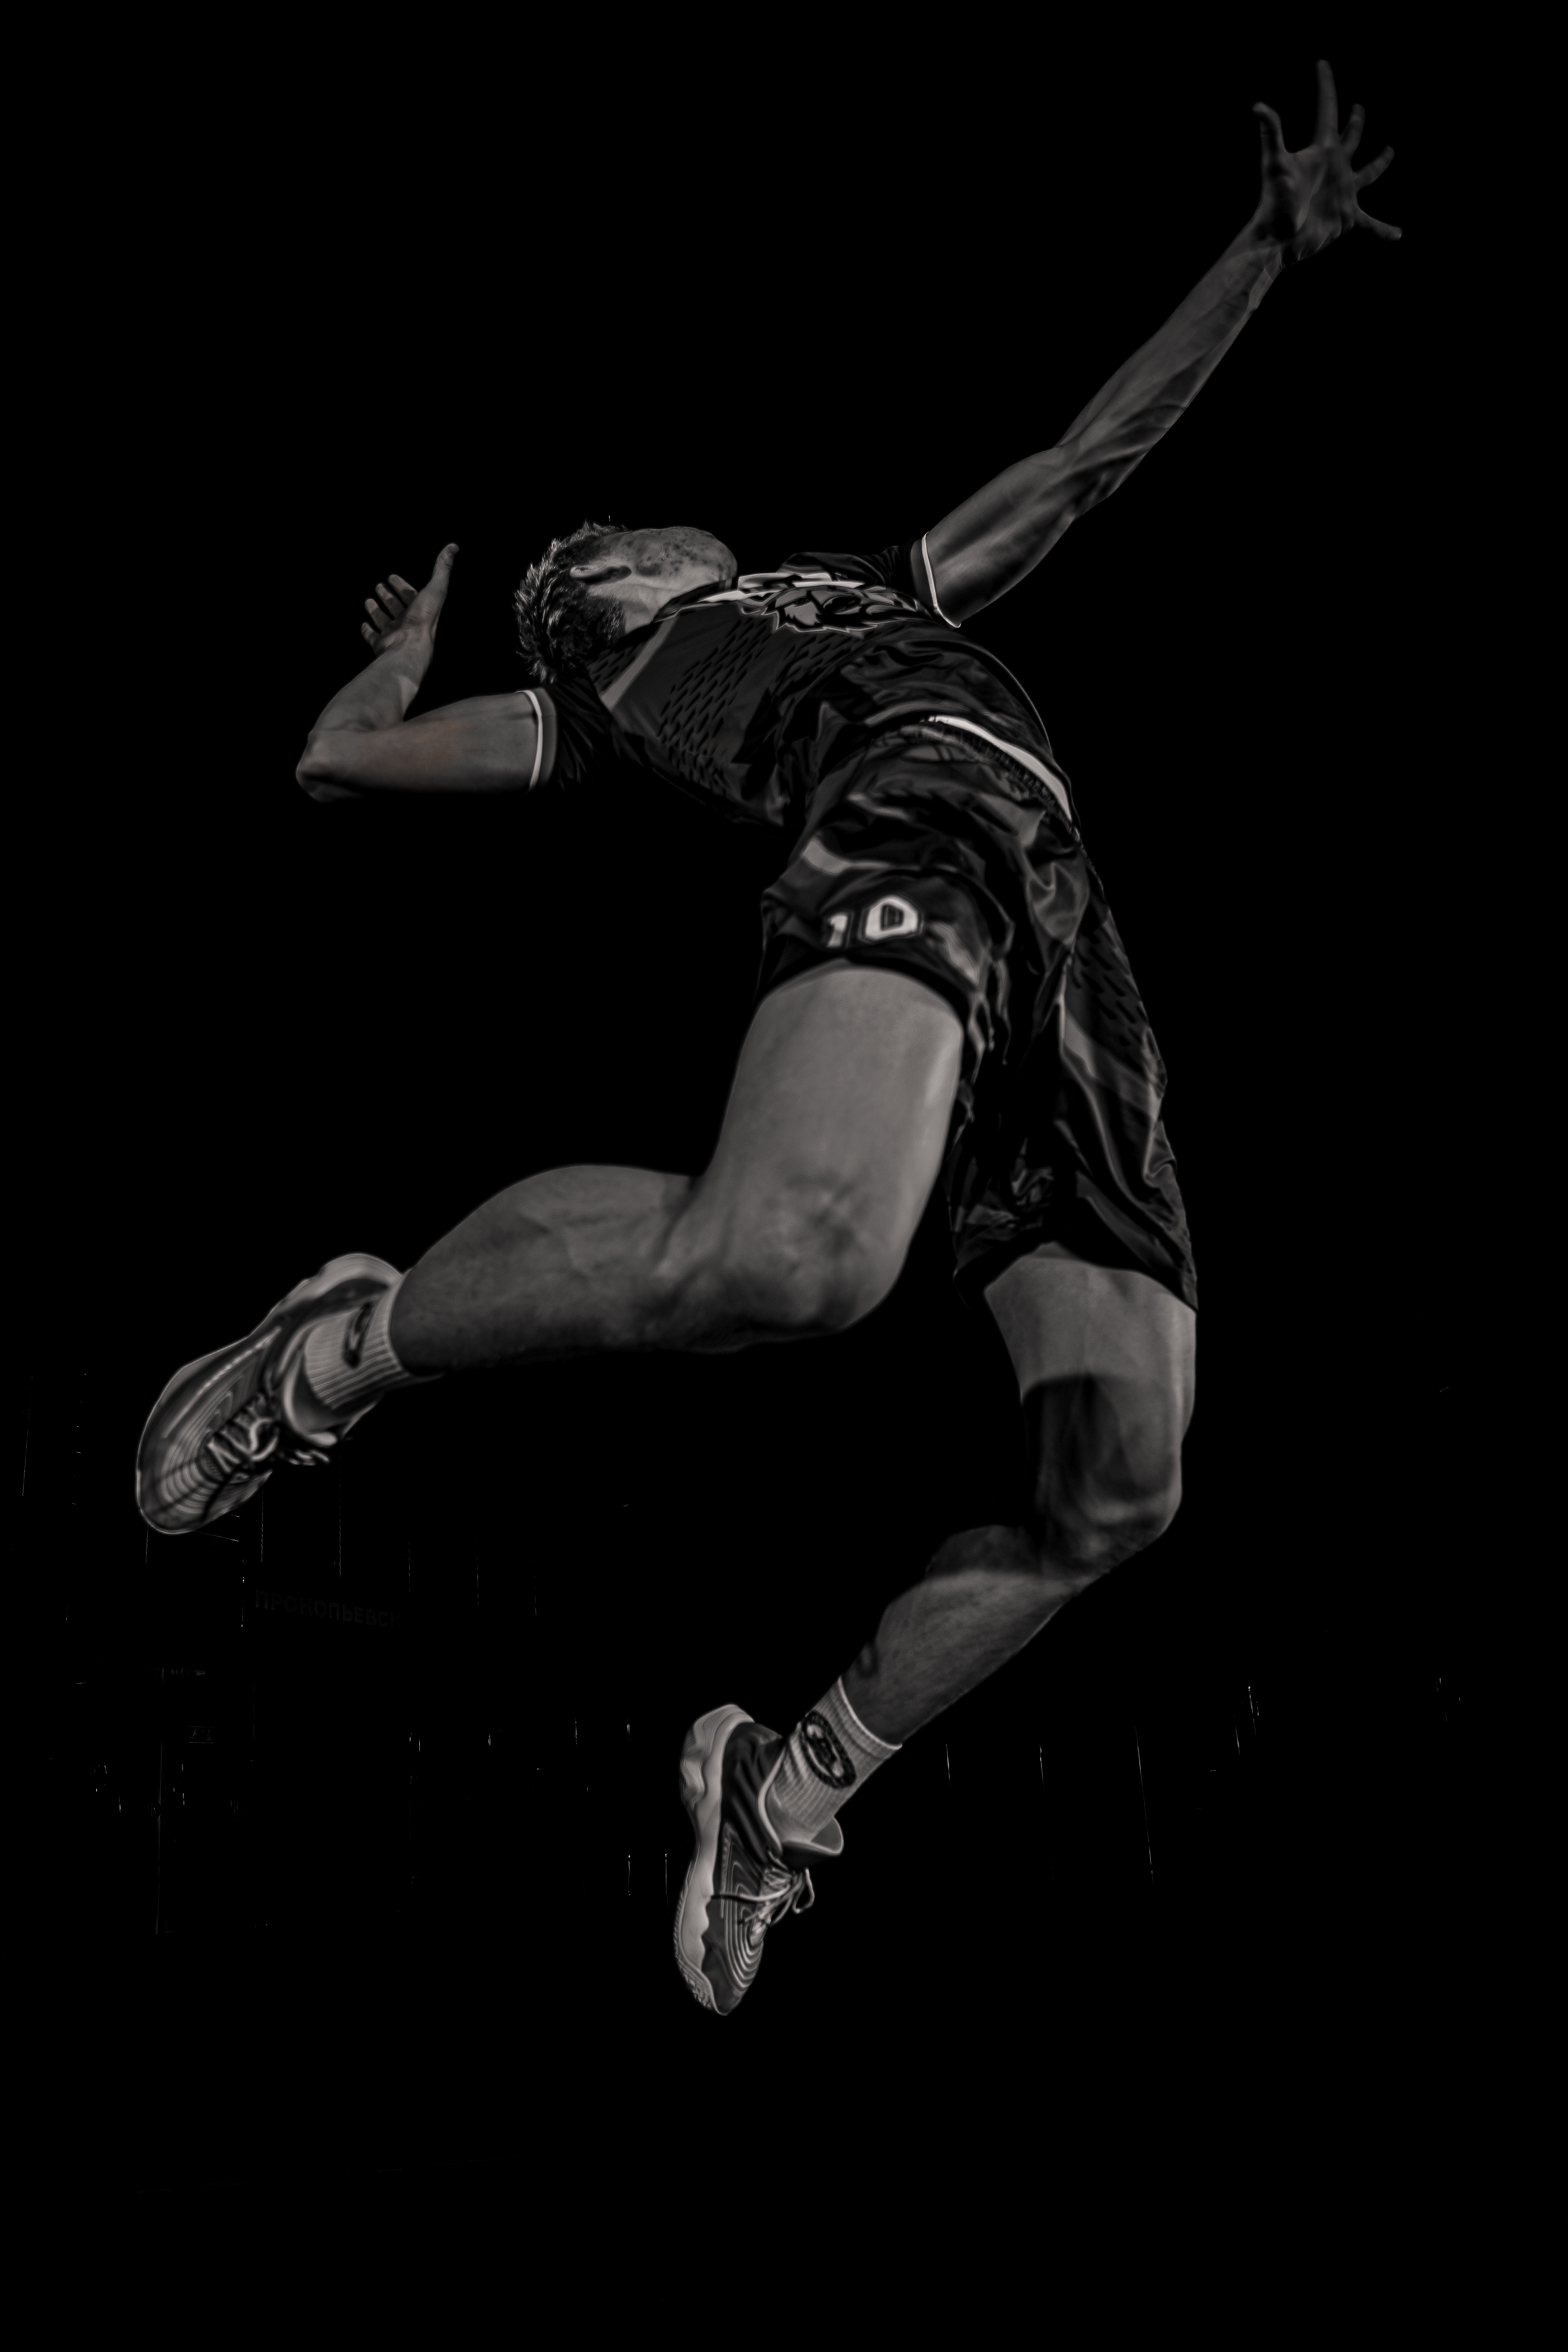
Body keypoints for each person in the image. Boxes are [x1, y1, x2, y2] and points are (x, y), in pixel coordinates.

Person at [136, 66, 1398, 2014]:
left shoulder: (856, 590)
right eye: (607, 533)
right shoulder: (612, 682)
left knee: (1121, 1484)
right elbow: (334, 763)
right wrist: (404, 656)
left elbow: (1085, 462)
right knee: (794, 1257)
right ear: (593, 598)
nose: (640, 518)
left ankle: (786, 1791)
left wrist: (1259, 254)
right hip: (908, 830)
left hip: (1063, 931)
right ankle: (339, 1352)